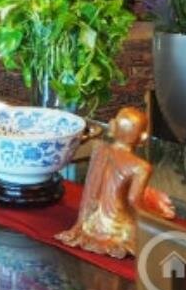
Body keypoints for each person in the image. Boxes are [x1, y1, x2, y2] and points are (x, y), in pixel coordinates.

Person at [55, 107, 176, 259]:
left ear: (112, 126)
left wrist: (81, 222)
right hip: (119, 227)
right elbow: (134, 201)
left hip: (92, 223)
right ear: (143, 137)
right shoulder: (141, 167)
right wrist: (157, 218)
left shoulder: (99, 149)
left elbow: (90, 191)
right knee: (160, 231)